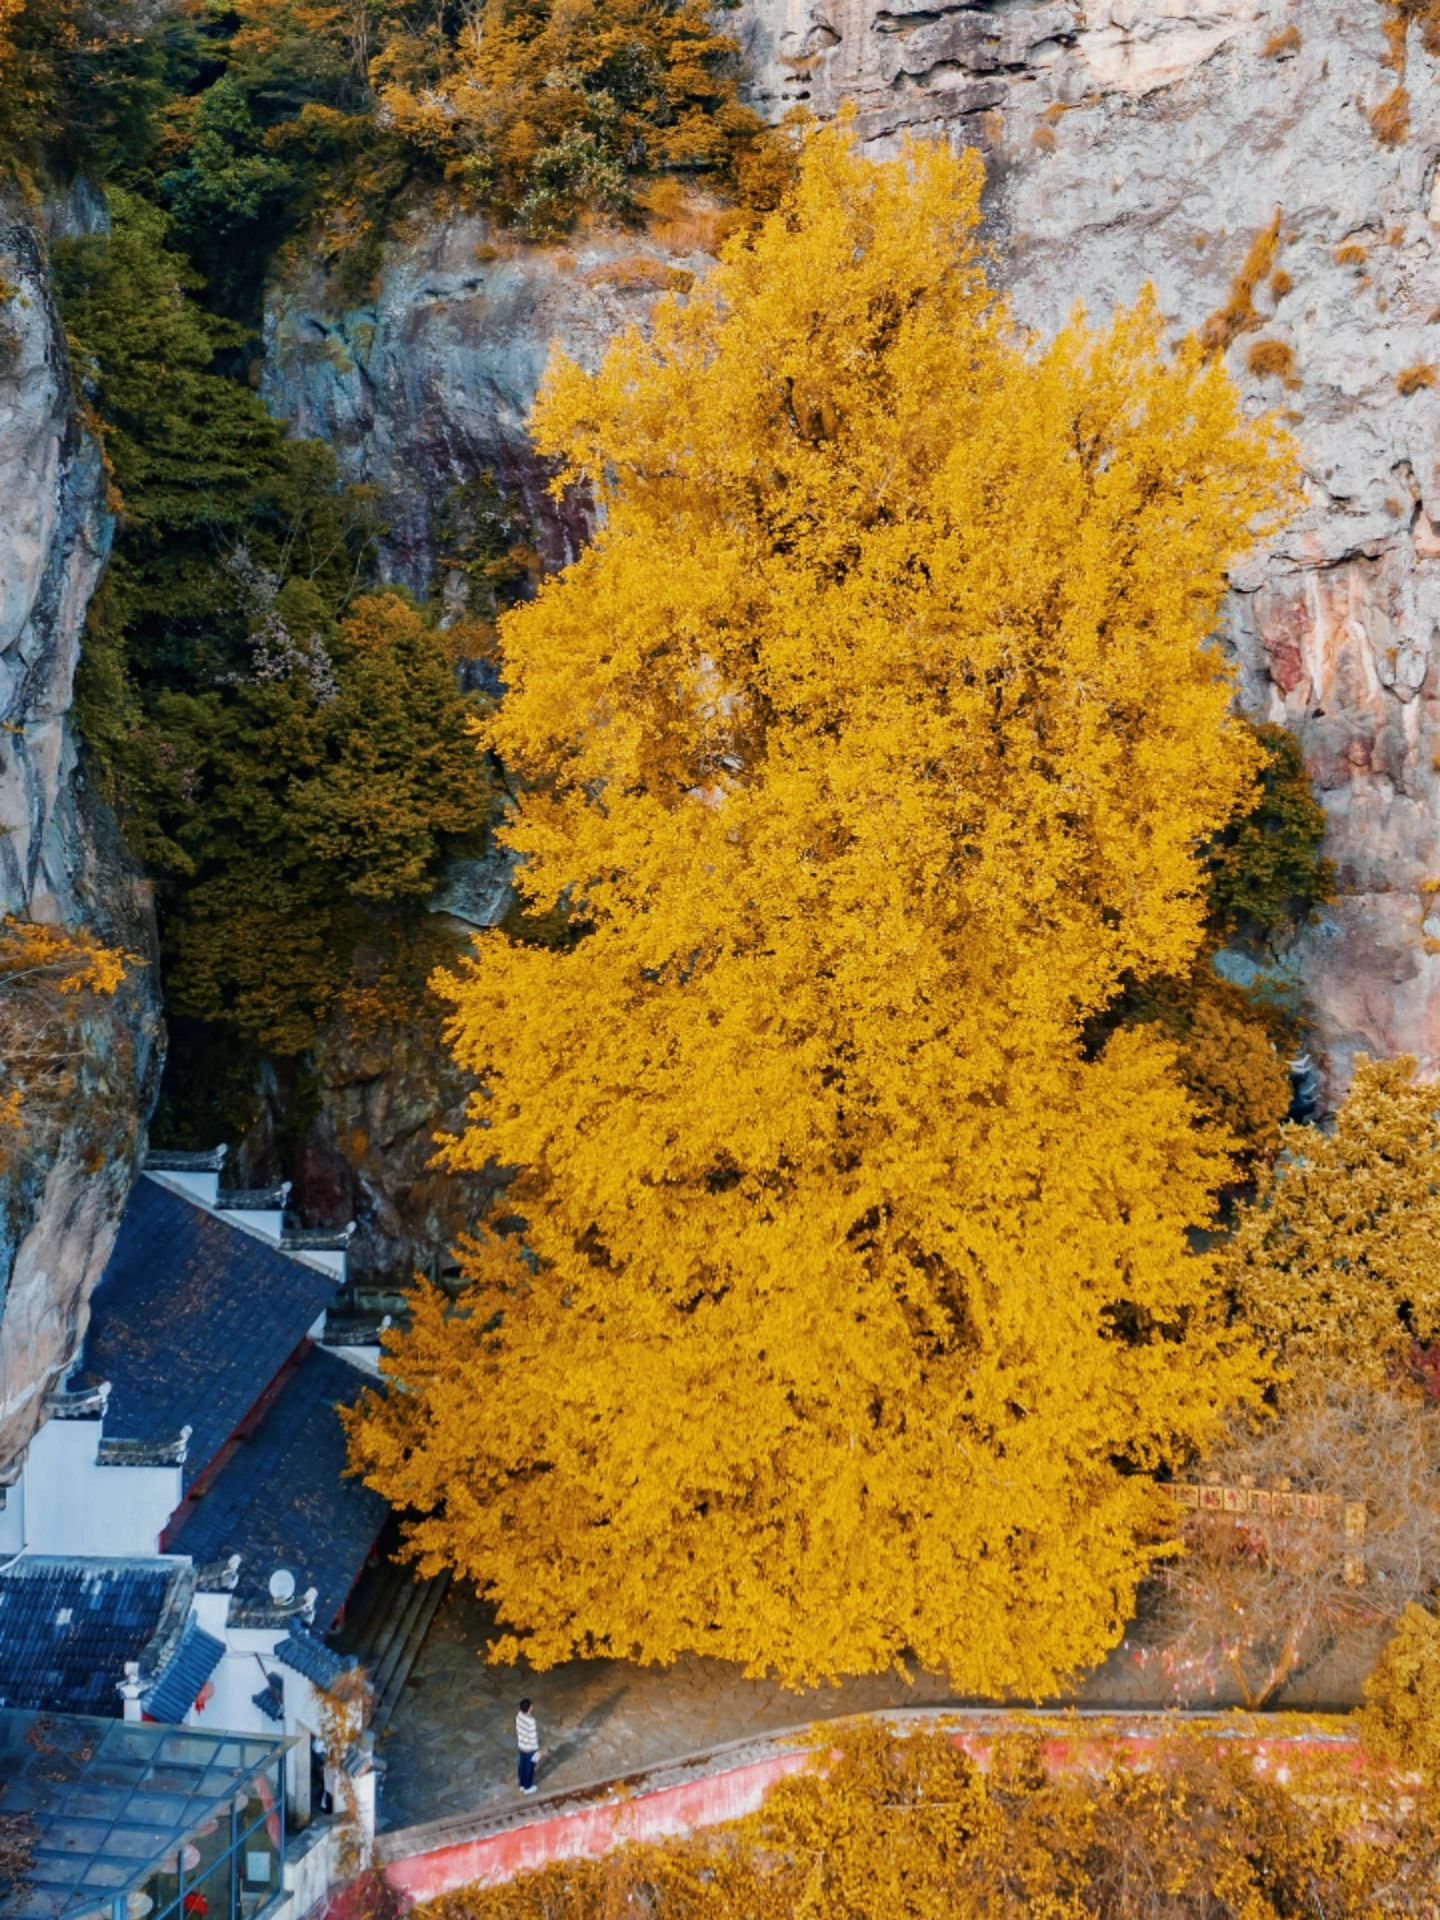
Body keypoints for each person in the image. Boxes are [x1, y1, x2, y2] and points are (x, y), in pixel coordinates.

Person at [516, 1697, 540, 1793]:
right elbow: (533, 1737)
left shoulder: (518, 1716)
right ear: (530, 1708)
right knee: (529, 1768)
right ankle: (527, 1787)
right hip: (529, 1749)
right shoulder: (532, 1721)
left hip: (521, 1746)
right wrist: (537, 1750)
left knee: (522, 1765)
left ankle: (521, 1784)